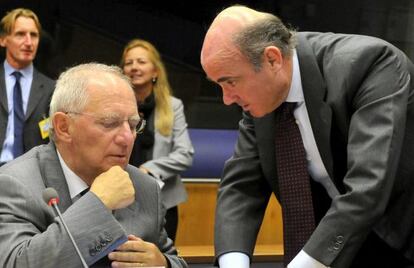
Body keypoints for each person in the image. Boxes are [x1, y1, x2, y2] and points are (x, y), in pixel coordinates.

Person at [200, 5, 414, 268]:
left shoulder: (371, 64)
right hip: (335, 243)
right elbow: (241, 186)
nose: (226, 99)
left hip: (401, 237)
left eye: (230, 81)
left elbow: (368, 187)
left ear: (272, 59)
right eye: (218, 85)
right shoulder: (262, 98)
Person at [0, 63, 187, 268]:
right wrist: (98, 203)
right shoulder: (15, 183)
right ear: (63, 127)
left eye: (133, 125)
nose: (127, 138)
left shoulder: (145, 186)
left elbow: (174, 258)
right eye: (109, 123)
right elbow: (15, 263)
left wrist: (163, 264)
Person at [120, 39, 194, 241]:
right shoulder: (115, 107)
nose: (134, 67)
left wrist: (148, 170)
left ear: (155, 71)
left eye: (141, 62)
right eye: (129, 63)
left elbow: (185, 154)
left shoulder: (173, 106)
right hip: (119, 200)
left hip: (164, 201)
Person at [0, 8, 55, 166]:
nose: (29, 42)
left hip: (30, 174)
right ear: (3, 40)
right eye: (20, 34)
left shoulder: (52, 88)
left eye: (34, 35)